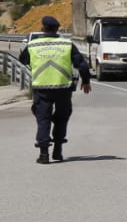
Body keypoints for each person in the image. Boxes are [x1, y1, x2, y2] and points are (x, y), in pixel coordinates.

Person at [21, 15, 91, 164]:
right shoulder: (67, 44)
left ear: (42, 28)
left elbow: (23, 60)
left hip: (41, 88)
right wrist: (86, 81)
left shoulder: (33, 45)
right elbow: (82, 65)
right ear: (58, 29)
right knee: (62, 119)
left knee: (43, 119)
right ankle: (58, 150)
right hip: (63, 89)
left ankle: (44, 154)